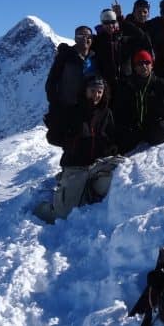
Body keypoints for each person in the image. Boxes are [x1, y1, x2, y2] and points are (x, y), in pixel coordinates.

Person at [34, 75, 122, 222]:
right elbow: (52, 137)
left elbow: (112, 137)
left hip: (98, 164)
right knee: (62, 215)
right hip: (76, 167)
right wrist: (71, 141)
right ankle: (45, 207)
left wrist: (111, 147)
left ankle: (86, 191)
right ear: (85, 90)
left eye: (100, 91)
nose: (96, 95)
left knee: (121, 173)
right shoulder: (72, 112)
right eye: (93, 90)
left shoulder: (106, 113)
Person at [114, 49, 164, 152]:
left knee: (162, 130)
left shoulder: (160, 83)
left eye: (147, 63)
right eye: (140, 63)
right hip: (134, 127)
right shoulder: (127, 85)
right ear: (135, 67)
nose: (144, 66)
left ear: (152, 65)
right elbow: (120, 109)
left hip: (152, 126)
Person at [43, 25, 97, 146]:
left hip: (87, 107)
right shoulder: (65, 57)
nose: (85, 39)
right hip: (68, 107)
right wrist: (56, 105)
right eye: (81, 36)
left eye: (88, 36)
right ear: (75, 38)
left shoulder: (94, 58)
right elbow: (51, 83)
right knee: (70, 141)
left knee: (87, 139)